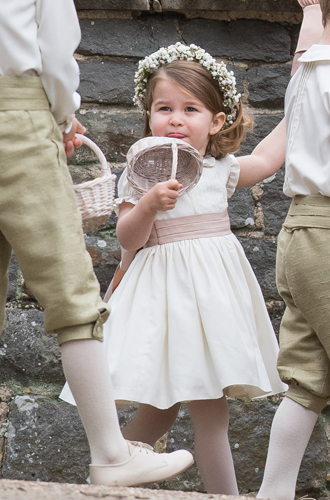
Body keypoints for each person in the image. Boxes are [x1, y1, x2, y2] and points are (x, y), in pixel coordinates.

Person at [61, 41, 288, 494]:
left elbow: (263, 161)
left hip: (212, 305)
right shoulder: (140, 171)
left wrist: (299, 106)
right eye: (164, 108)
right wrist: (147, 205)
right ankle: (109, 478)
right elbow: (128, 237)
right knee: (164, 409)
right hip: (164, 305)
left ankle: (113, 483)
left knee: (208, 409)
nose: (177, 119)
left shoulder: (217, 168)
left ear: (216, 121)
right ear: (149, 117)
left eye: (191, 109)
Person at [0, 0, 194, 487]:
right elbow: (56, 49)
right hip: (16, 115)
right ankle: (111, 453)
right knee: (72, 290)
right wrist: (63, 117)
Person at [256, 1, 330, 499]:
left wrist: (311, 13)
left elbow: (307, 56)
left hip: (302, 230)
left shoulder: (307, 78)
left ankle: (272, 494)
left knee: (306, 382)